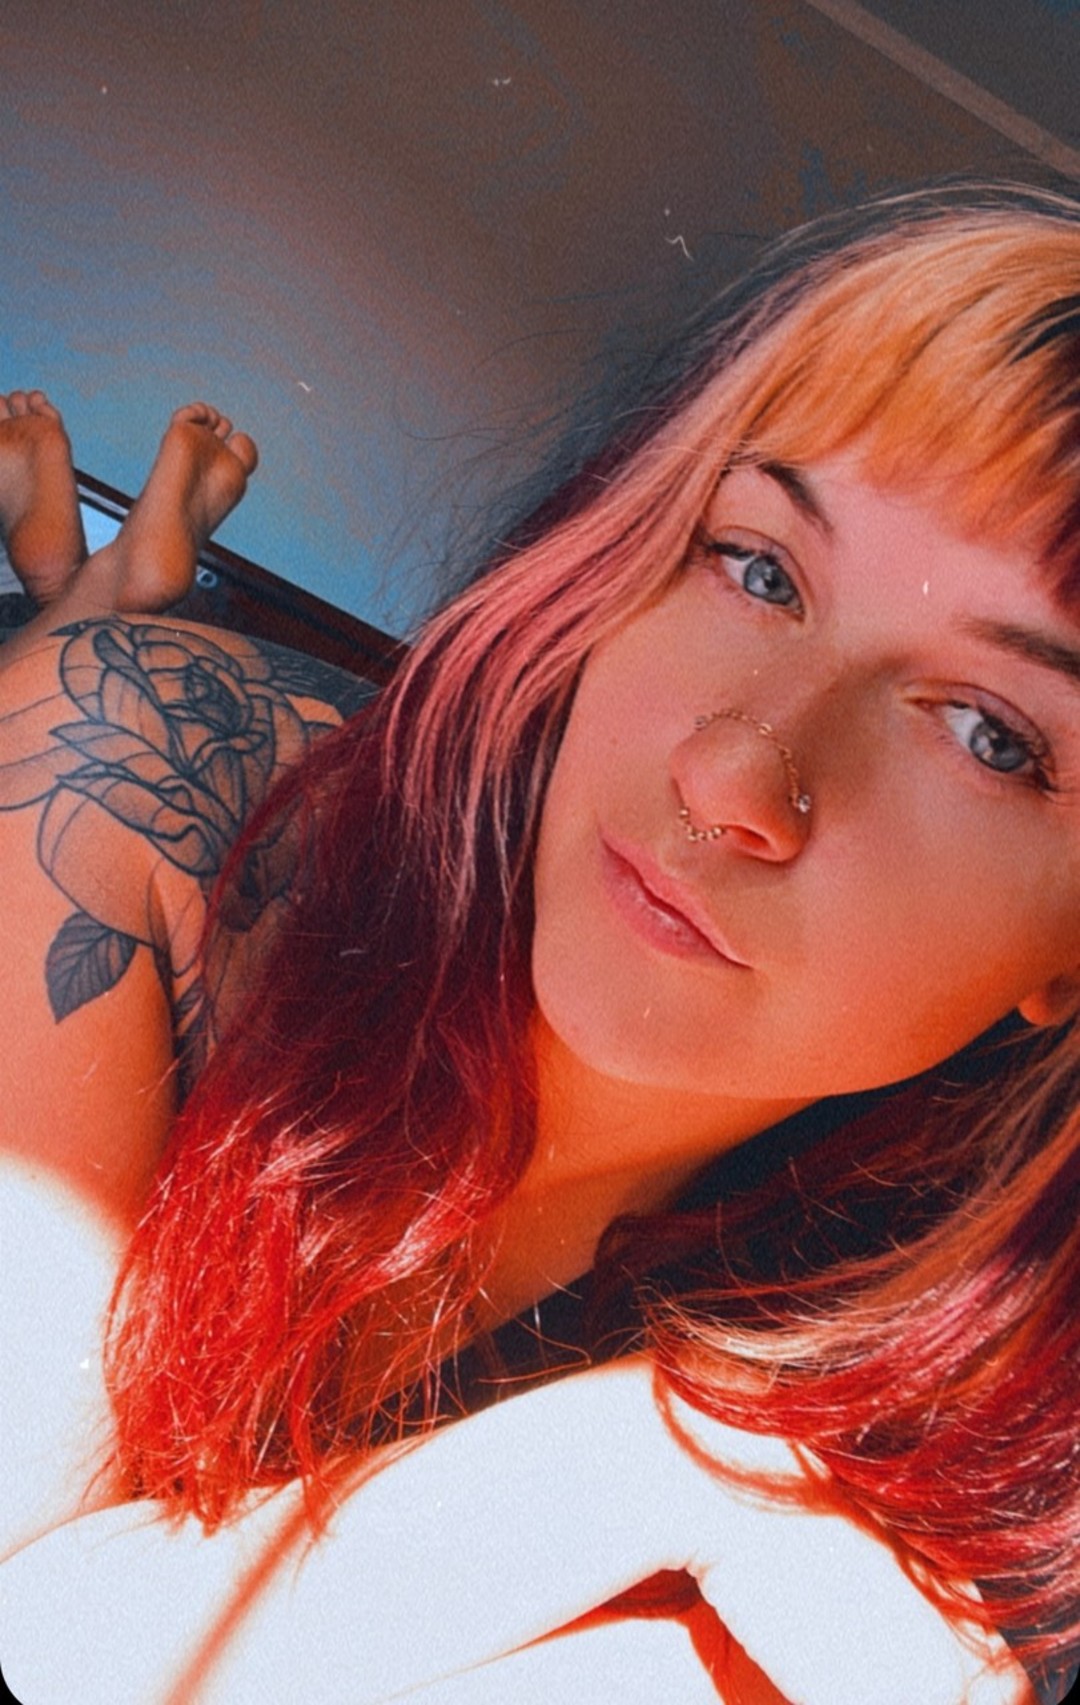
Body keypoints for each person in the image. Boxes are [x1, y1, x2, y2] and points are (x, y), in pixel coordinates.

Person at [1, 180, 1078, 1702]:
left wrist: (664, 1474)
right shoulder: (137, 788)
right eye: (758, 566)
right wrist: (679, 1457)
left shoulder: (950, 1424)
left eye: (990, 735)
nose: (738, 777)